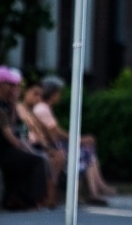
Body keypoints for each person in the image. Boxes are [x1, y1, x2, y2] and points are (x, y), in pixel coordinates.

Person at [33, 76, 114, 205]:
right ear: (53, 93)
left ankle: (96, 188)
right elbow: (57, 133)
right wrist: (80, 139)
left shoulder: (44, 108)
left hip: (54, 144)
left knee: (87, 149)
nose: (60, 96)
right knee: (86, 151)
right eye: (59, 93)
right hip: (51, 145)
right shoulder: (42, 109)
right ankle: (96, 189)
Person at [0, 66, 49, 210]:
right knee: (36, 161)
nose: (13, 89)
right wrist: (25, 148)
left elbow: (12, 125)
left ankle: (14, 199)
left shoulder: (5, 103)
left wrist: (13, 104)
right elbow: (10, 137)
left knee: (26, 159)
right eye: (10, 85)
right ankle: (32, 201)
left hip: (5, 149)